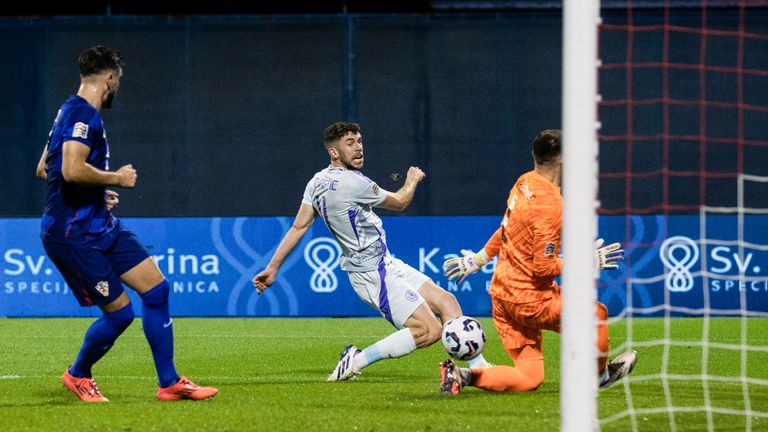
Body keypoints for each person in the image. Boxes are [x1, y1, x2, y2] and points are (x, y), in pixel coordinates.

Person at [35, 45, 217, 402]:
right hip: (74, 235)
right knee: (120, 316)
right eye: (118, 79)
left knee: (156, 289)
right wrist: (115, 178)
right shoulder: (82, 115)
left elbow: (46, 168)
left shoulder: (66, 112)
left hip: (99, 223)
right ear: (109, 78)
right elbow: (69, 170)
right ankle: (78, 374)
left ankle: (169, 382)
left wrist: (97, 191)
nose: (118, 86)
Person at [252, 121, 491, 381]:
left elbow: (299, 226)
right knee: (427, 330)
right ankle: (356, 360)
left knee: (447, 302)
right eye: (350, 143)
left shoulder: (316, 182)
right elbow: (400, 202)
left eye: (360, 141)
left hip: (385, 262)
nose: (358, 148)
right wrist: (411, 180)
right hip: (372, 273)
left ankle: (477, 367)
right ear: (334, 152)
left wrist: (273, 267)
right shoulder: (354, 183)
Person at [439, 129, 636, 395]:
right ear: (566, 158)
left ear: (534, 155)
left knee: (529, 376)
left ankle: (461, 375)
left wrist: (480, 258)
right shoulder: (552, 206)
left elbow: (506, 229)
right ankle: (599, 376)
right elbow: (542, 267)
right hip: (529, 299)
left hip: (502, 296)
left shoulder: (523, 182)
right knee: (595, 313)